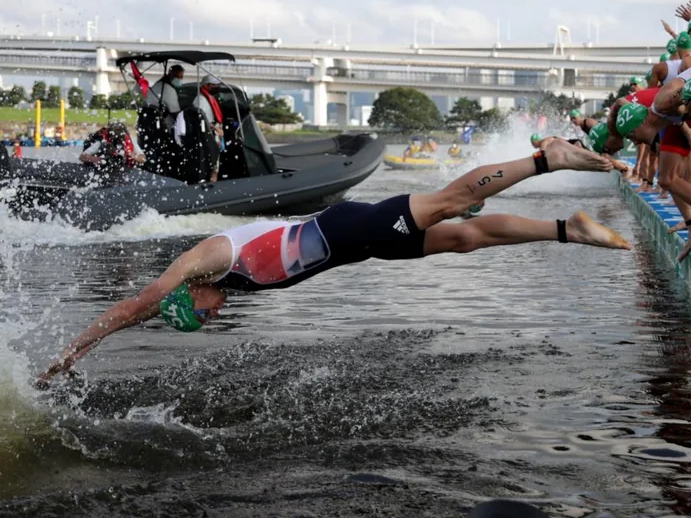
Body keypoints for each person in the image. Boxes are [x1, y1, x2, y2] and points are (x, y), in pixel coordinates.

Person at [37, 143, 630, 384]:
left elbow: (135, 302)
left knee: (454, 201)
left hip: (347, 228)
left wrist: (72, 349)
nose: (214, 317)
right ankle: (565, 230)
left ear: (188, 293)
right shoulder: (200, 289)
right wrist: (75, 357)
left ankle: (545, 158)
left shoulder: (204, 259)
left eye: (203, 316)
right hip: (354, 247)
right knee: (464, 239)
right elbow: (137, 316)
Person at [79, 121, 144, 172]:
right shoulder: (102, 142)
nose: (118, 141)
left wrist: (133, 156)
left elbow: (143, 158)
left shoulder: (130, 142)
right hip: (105, 170)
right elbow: (82, 157)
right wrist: (97, 159)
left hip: (126, 171)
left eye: (120, 138)